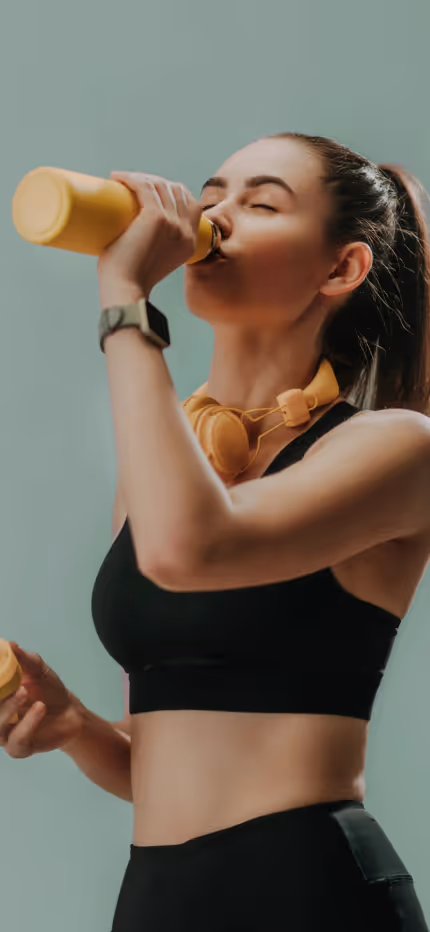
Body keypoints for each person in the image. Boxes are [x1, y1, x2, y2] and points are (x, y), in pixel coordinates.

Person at [2, 132, 430, 930]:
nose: (214, 216)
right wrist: (73, 727)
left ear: (341, 269)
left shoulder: (397, 448)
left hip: (306, 890)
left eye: (261, 202)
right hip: (159, 897)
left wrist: (125, 299)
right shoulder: (174, 457)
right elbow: (169, 757)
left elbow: (189, 550)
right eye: (213, 193)